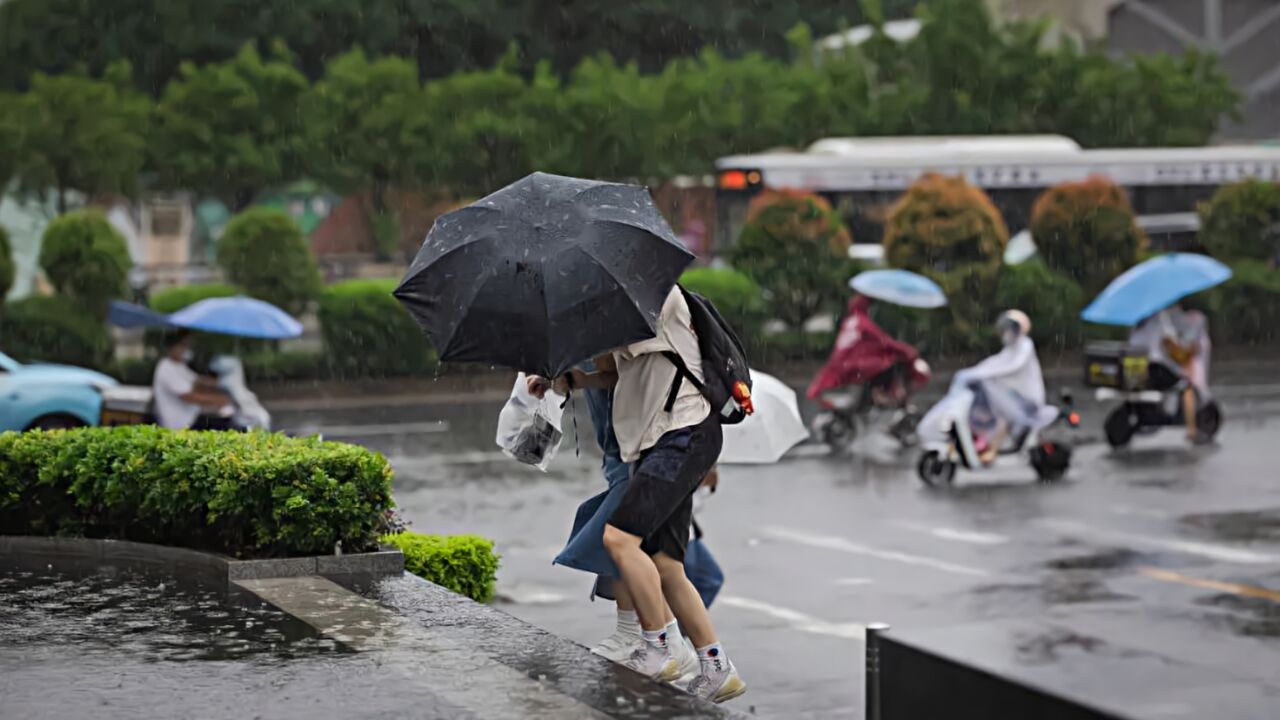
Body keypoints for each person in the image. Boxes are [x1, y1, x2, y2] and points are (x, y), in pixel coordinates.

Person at [533, 287, 745, 703]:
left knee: (619, 538)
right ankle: (717, 667)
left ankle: (658, 645)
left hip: (681, 434)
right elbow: (615, 371)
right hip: (669, 438)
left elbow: (600, 340)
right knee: (666, 562)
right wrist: (572, 378)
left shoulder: (653, 298)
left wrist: (562, 332)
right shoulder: (629, 306)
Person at [953, 310, 1050, 464]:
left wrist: (984, 374)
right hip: (1015, 395)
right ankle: (984, 446)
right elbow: (995, 361)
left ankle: (992, 450)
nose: (1005, 333)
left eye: (1008, 329)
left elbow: (1012, 365)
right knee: (992, 411)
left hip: (1027, 399)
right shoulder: (1011, 348)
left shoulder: (1025, 345)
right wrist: (974, 371)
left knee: (999, 413)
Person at [807, 294, 926, 408]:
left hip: (841, 365)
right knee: (888, 366)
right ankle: (880, 394)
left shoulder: (849, 322)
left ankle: (874, 396)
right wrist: (907, 350)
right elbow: (884, 341)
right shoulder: (863, 322)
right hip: (855, 365)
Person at [1130, 303, 1211, 441]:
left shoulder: (1135, 326)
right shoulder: (1161, 321)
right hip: (1154, 367)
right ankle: (1191, 430)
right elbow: (1171, 347)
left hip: (1135, 369)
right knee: (1186, 386)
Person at [151, 331, 234, 430]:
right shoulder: (166, 367)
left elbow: (198, 381)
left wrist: (223, 382)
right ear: (172, 346)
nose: (187, 349)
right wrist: (218, 400)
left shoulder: (179, 366)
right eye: (184, 345)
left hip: (192, 417)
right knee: (227, 425)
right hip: (181, 424)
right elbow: (188, 396)